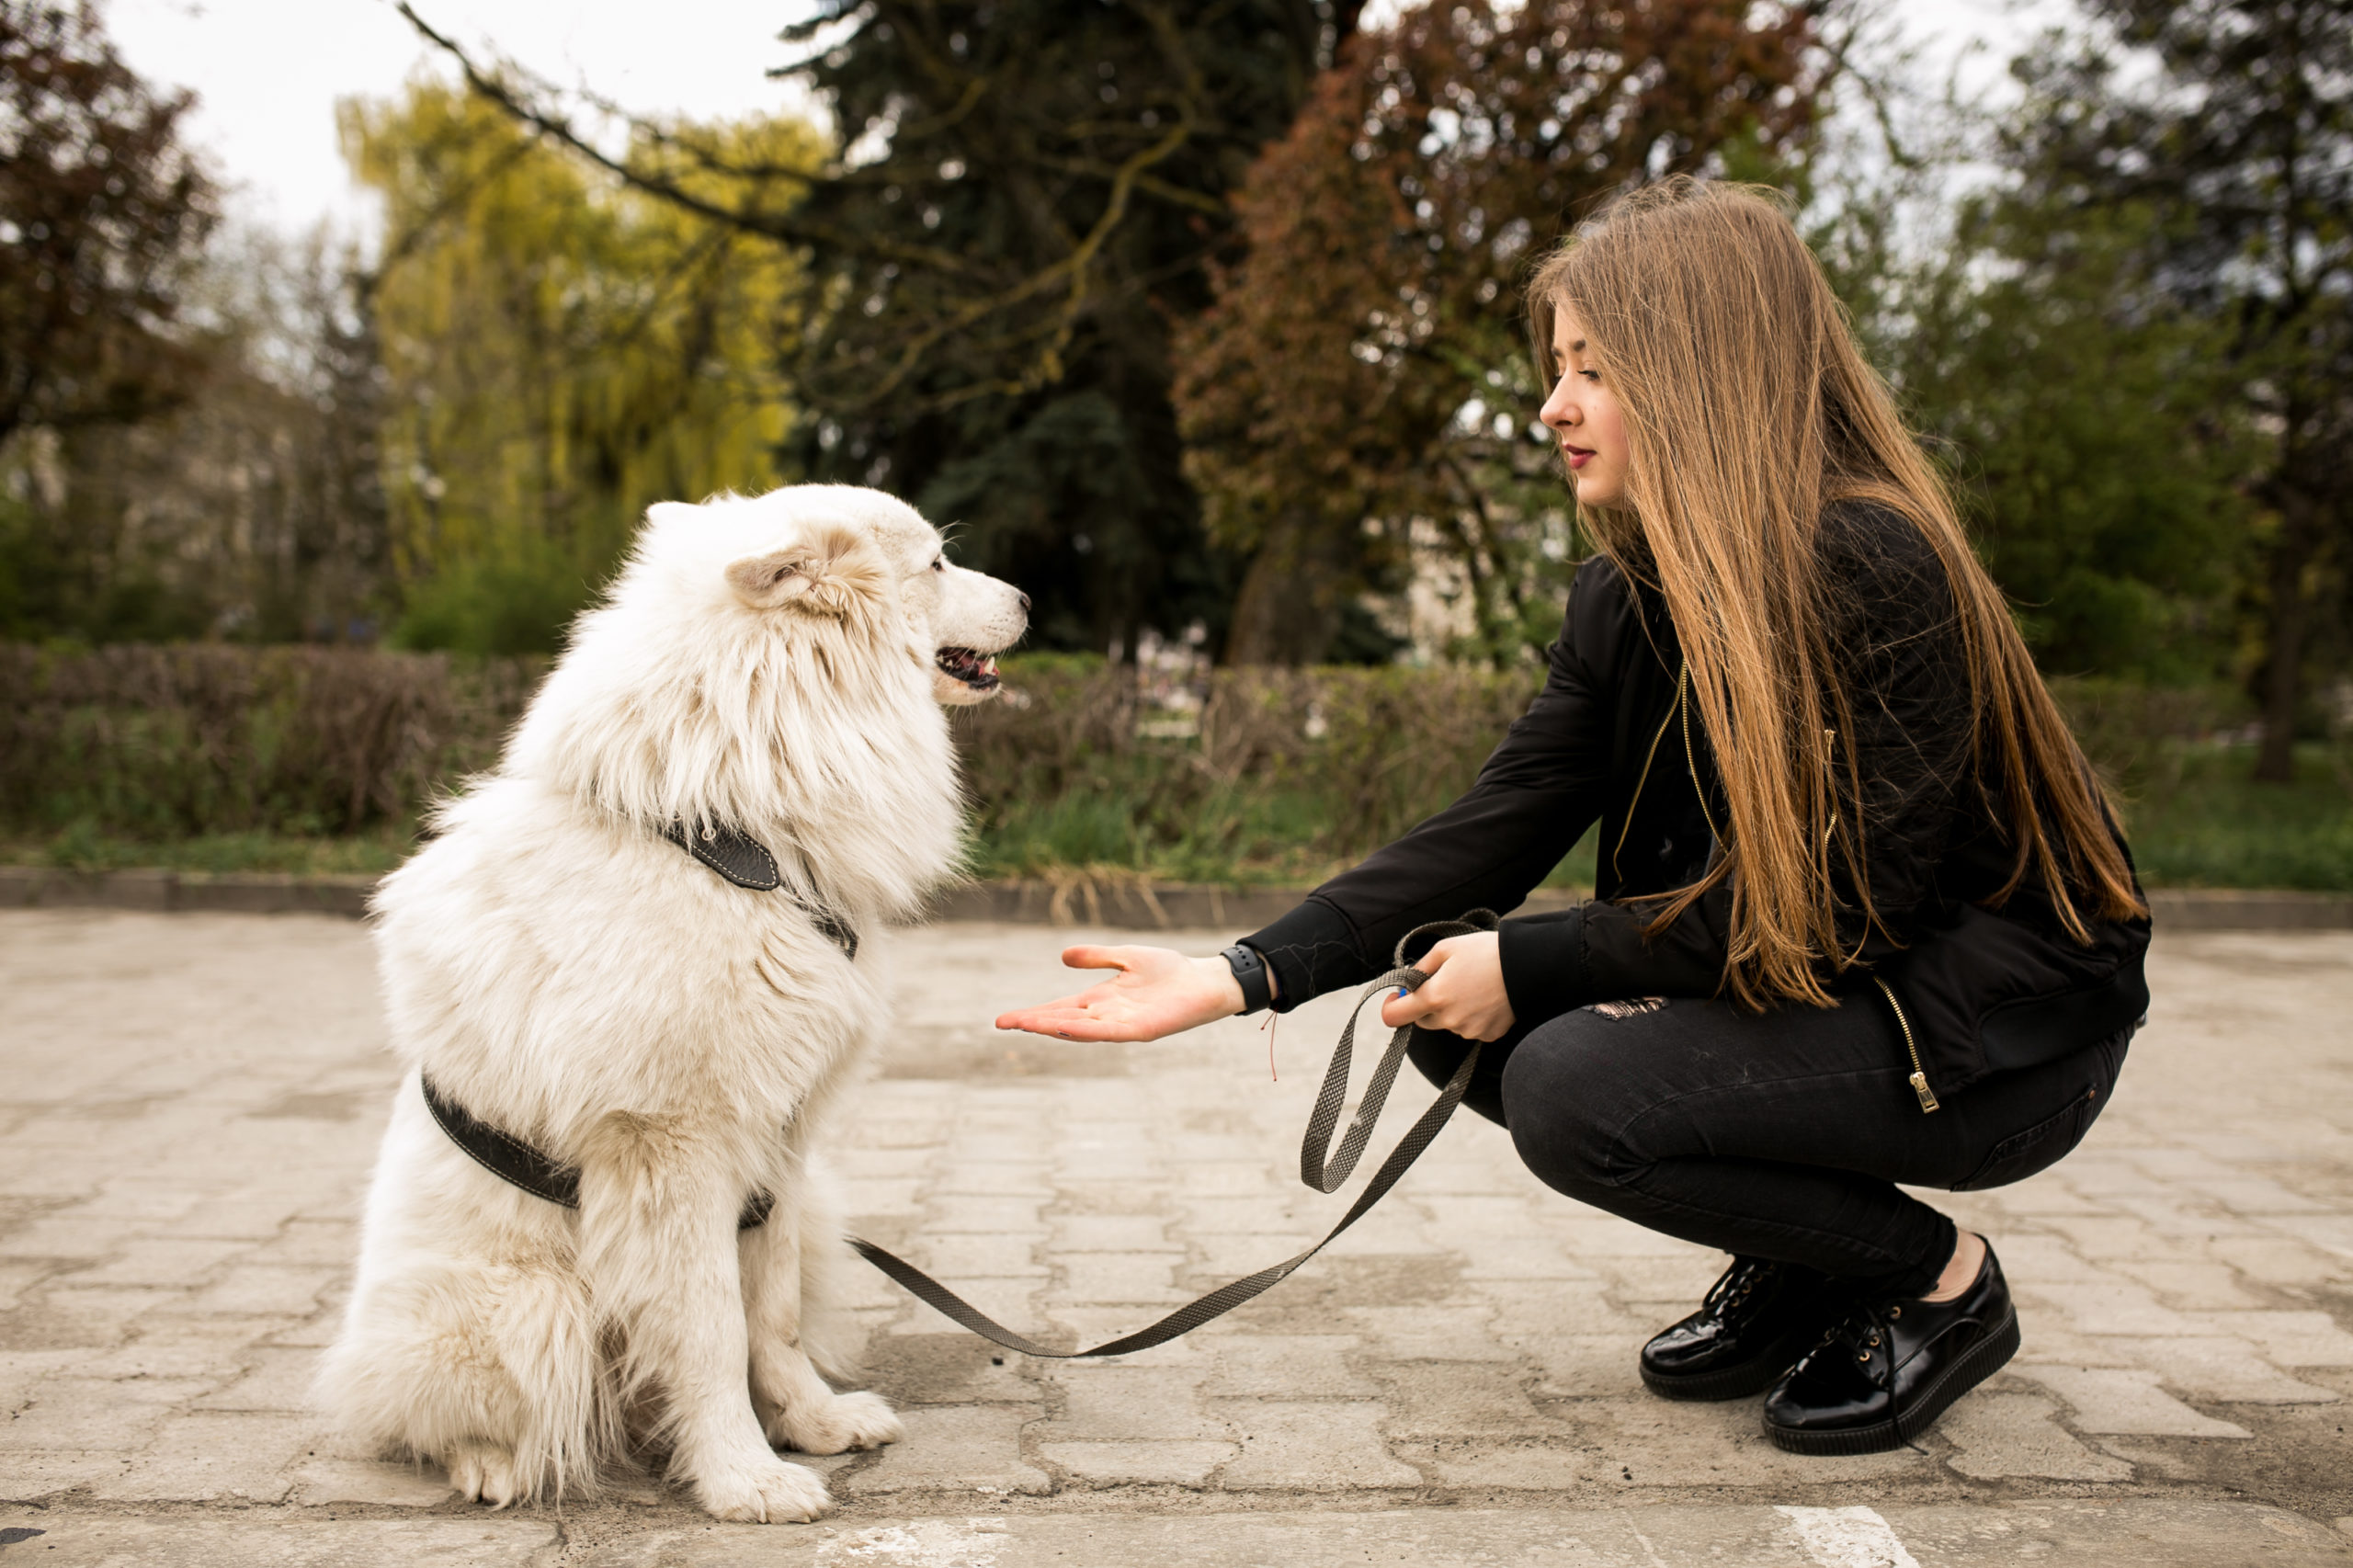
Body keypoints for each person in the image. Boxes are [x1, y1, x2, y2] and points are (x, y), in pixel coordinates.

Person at [994, 177, 2150, 1456]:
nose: (1552, 407)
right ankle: (1812, 1258)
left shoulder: (1872, 565)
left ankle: (1934, 1274)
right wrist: (1240, 972)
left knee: (1570, 1078)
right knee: (1450, 1002)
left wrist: (1532, 958)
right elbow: (1495, 820)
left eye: (1591, 370)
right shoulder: (1632, 595)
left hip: (1996, 1045)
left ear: (1701, 373)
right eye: (1559, 368)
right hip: (1841, 990)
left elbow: (1838, 912)